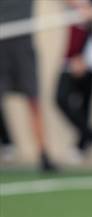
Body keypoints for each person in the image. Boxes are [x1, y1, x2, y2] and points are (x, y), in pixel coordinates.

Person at [0, 0, 55, 170]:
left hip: (23, 45)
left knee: (34, 100)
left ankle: (43, 154)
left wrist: (82, 6)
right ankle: (6, 142)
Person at [55, 0, 92, 153]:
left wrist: (80, 56)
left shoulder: (88, 7)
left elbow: (91, 26)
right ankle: (90, 135)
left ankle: (84, 143)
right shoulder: (73, 7)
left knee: (85, 104)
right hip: (73, 60)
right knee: (61, 99)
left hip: (87, 61)